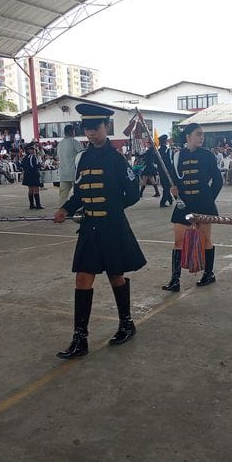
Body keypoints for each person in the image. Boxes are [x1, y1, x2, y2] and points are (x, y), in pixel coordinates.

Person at [53, 103, 146, 359]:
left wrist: (112, 209)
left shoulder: (116, 158)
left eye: (96, 128)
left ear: (106, 127)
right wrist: (66, 208)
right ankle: (80, 339)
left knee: (116, 276)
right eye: (87, 128)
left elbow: (133, 193)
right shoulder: (84, 157)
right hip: (90, 228)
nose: (91, 133)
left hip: (112, 227)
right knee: (82, 278)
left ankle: (126, 323)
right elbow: (81, 192)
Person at [162, 123, 223, 292]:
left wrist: (208, 200)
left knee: (205, 240)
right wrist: (174, 192)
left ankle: (209, 274)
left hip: (204, 204)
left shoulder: (208, 156)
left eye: (202, 134)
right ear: (188, 136)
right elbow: (174, 181)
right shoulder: (176, 156)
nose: (201, 137)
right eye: (198, 134)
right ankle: (175, 280)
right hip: (184, 205)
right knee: (178, 241)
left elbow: (218, 181)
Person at [57, 124, 85, 206]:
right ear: (72, 131)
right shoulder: (74, 142)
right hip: (74, 174)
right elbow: (82, 154)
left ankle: (61, 212)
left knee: (62, 195)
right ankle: (78, 211)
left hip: (63, 173)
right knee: (78, 194)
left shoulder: (60, 143)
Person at [21, 143, 45, 209]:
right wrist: (41, 165)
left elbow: (21, 165)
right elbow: (35, 165)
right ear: (28, 150)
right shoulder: (33, 157)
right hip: (33, 174)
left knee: (30, 190)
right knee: (36, 190)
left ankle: (31, 205)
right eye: (31, 149)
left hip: (27, 174)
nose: (33, 150)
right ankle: (38, 205)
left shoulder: (25, 157)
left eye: (33, 149)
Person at [158, 134, 174, 207]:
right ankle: (163, 202)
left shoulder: (158, 151)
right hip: (168, 171)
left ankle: (170, 199)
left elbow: (155, 161)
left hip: (161, 171)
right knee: (167, 187)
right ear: (165, 141)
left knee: (166, 186)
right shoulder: (168, 150)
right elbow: (170, 162)